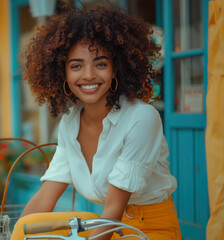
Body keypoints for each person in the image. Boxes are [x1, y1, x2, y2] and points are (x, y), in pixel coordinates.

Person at [11, 3, 181, 240]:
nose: (88, 75)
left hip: (147, 229)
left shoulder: (141, 118)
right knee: (25, 227)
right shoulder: (70, 124)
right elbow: (44, 198)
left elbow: (113, 210)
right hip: (103, 224)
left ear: (115, 69)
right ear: (64, 74)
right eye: (76, 66)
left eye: (100, 63)